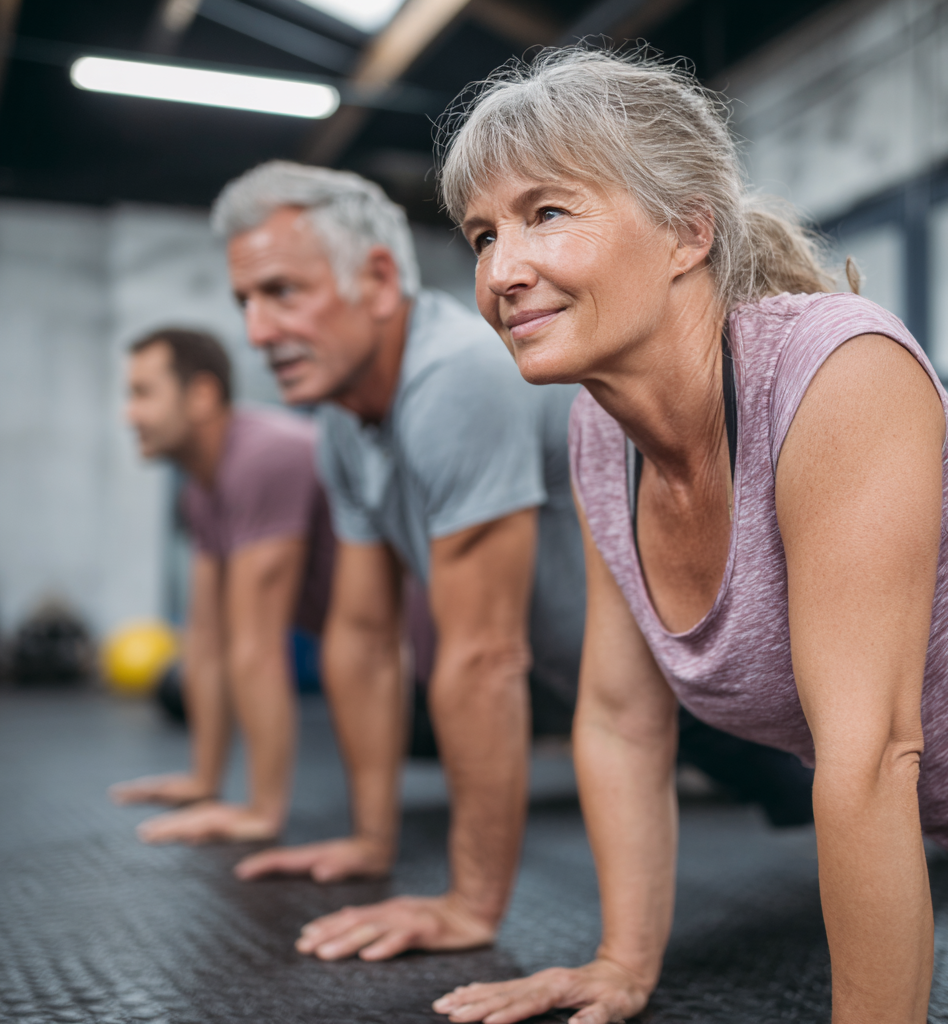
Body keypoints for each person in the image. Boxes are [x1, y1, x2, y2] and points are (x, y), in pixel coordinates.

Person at [428, 48, 948, 1024]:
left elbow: (869, 757)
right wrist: (621, 962)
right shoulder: (598, 432)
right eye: (481, 233)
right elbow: (621, 718)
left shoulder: (836, 372)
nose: (501, 270)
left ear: (686, 231)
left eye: (546, 213)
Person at [209, 162, 815, 963]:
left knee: (911, 797)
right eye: (245, 303)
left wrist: (469, 904)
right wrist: (369, 838)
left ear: (381, 277)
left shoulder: (453, 376)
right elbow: (359, 635)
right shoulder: (344, 426)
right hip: (611, 683)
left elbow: (485, 656)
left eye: (283, 293)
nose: (257, 332)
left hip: (716, 672)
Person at [111, 328, 335, 845]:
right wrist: (204, 783)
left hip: (426, 678)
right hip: (382, 675)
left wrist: (259, 812)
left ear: (202, 396)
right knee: (177, 678)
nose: (130, 415)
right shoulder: (200, 494)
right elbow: (208, 641)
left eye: (143, 393)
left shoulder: (268, 455)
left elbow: (257, 647)